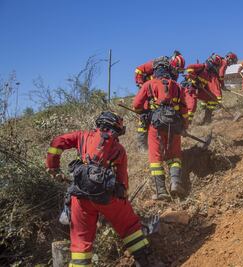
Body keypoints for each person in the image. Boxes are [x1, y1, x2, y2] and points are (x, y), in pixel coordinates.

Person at [46, 111, 150, 267]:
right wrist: (122, 201)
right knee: (129, 227)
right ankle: (145, 261)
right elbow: (122, 182)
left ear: (99, 124)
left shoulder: (82, 136)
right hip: (108, 197)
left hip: (80, 196)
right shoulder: (119, 149)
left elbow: (57, 142)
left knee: (80, 242)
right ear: (117, 129)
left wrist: (53, 167)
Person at [132, 57, 189, 200]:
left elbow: (136, 105)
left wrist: (145, 112)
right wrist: (184, 127)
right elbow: (184, 109)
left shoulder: (149, 84)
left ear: (155, 71)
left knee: (156, 158)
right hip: (174, 125)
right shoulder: (177, 86)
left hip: (155, 127)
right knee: (175, 156)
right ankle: (175, 182)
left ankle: (161, 191)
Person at [134, 52, 186, 151]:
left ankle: (163, 144)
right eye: (177, 69)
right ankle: (142, 144)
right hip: (148, 92)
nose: (177, 72)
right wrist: (141, 85)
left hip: (161, 98)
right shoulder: (156, 64)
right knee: (144, 116)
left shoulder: (173, 74)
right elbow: (138, 70)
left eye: (179, 70)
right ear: (172, 64)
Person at [185, 54, 223, 124]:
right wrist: (194, 78)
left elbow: (205, 84)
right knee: (192, 105)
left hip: (199, 90)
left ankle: (207, 119)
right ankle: (187, 124)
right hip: (190, 88)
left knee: (213, 98)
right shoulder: (201, 67)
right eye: (214, 66)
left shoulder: (208, 74)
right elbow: (189, 68)